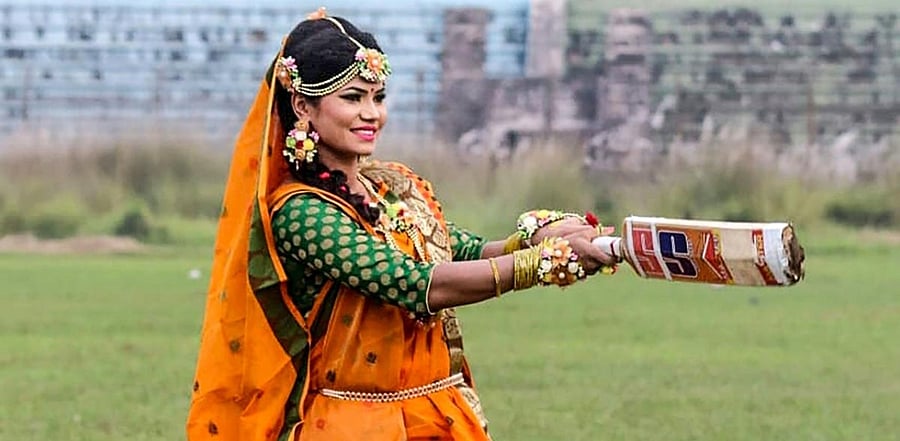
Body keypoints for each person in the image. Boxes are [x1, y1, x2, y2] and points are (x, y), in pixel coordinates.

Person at [186, 8, 617, 441]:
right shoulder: (301, 212)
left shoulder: (389, 186)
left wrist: (537, 236)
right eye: (352, 98)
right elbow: (411, 284)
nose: (371, 113)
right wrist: (540, 264)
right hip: (350, 425)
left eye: (379, 97)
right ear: (303, 105)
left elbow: (458, 249)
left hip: (434, 414)